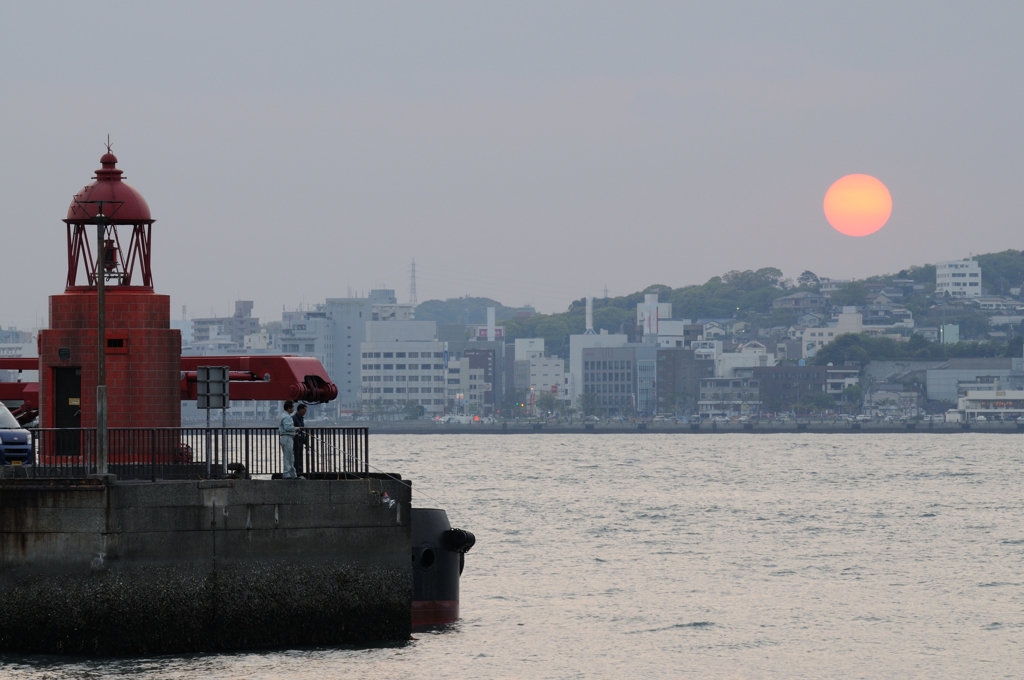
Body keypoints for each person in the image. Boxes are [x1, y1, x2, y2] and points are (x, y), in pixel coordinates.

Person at [278, 400, 298, 479]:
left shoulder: (283, 415)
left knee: (290, 456)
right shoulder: (286, 417)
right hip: (287, 438)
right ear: (289, 408)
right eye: (293, 407)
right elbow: (287, 428)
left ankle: (292, 474)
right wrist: (296, 429)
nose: (293, 409)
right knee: (288, 457)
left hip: (285, 437)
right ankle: (287, 474)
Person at [292, 403, 308, 478]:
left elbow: (303, 431)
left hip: (300, 441)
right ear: (300, 409)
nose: (305, 411)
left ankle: (300, 473)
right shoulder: (294, 418)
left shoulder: (301, 418)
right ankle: (297, 473)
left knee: (300, 457)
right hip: (295, 441)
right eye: (304, 410)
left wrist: (305, 441)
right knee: (296, 458)